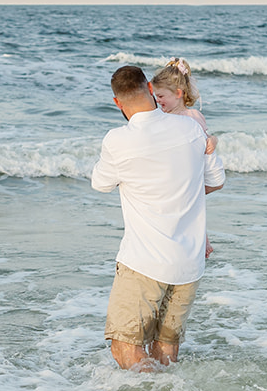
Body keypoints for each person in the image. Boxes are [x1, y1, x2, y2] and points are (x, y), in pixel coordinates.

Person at [90, 64, 225, 370]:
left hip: (145, 261)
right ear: (150, 89)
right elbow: (216, 180)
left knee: (126, 349)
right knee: (165, 350)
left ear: (117, 103)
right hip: (189, 263)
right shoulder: (191, 129)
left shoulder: (118, 139)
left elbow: (100, 183)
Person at [150, 58, 218, 258]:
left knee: (191, 211)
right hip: (173, 177)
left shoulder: (193, 116)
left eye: (161, 95)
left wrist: (214, 140)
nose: (158, 100)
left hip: (188, 176)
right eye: (155, 96)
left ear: (178, 93)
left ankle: (200, 241)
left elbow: (206, 141)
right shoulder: (163, 118)